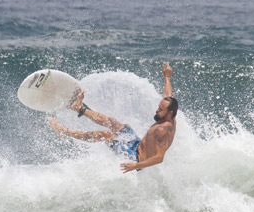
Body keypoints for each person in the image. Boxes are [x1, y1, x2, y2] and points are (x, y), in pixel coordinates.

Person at [49, 63, 178, 173]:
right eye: (159, 107)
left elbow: (159, 158)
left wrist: (135, 166)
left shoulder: (163, 130)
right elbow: (168, 95)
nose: (157, 110)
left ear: (169, 113)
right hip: (136, 144)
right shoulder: (169, 114)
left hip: (135, 157)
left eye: (161, 110)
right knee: (113, 122)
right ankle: (79, 107)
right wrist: (167, 76)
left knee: (105, 134)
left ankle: (65, 132)